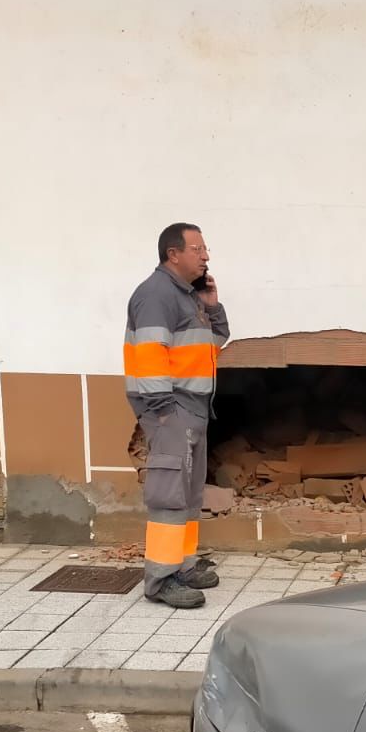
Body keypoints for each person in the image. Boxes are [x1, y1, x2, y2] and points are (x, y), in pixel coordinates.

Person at [124, 222, 230, 608]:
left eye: (205, 249)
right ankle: (161, 580)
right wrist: (164, 415)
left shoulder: (189, 297)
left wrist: (212, 305)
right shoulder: (155, 295)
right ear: (174, 254)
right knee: (169, 496)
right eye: (198, 249)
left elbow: (214, 344)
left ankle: (183, 565)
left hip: (192, 408)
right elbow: (150, 360)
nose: (205, 256)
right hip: (172, 410)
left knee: (188, 494)